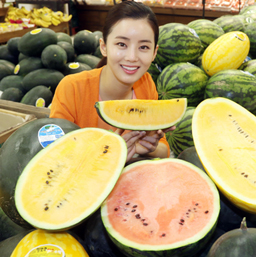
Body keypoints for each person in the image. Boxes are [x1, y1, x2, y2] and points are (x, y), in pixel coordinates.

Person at [50, 1, 174, 162]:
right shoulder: (71, 88)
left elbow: (164, 150)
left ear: (154, 53)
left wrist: (148, 149)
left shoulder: (147, 84)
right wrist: (109, 153)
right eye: (121, 44)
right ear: (104, 47)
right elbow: (53, 155)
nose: (132, 57)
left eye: (143, 47)